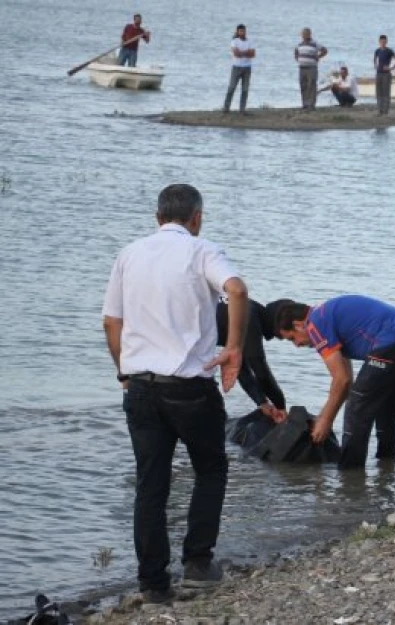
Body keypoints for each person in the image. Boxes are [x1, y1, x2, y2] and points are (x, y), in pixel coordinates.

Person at [102, 184, 248, 603]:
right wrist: (233, 347)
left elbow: (112, 323)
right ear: (197, 218)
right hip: (189, 387)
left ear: (157, 217)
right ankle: (198, 564)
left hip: (140, 387)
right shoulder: (201, 250)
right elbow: (236, 290)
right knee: (210, 468)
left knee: (151, 484)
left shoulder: (129, 253)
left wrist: (123, 373)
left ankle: (152, 583)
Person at [274, 296, 395, 468]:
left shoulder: (315, 324)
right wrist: (325, 415)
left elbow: (342, 380)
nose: (297, 345)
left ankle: (350, 476)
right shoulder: (324, 314)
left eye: (292, 338)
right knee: (388, 408)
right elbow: (347, 380)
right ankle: (387, 468)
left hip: (392, 340)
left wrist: (325, 420)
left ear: (298, 325)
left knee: (356, 408)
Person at [216, 298, 288, 422]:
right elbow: (260, 369)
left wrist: (262, 402)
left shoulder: (250, 309)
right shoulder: (250, 317)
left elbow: (240, 368)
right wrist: (280, 405)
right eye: (288, 334)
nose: (285, 338)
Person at [294, 28, 328, 110]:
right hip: (302, 67)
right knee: (303, 85)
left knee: (311, 85)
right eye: (302, 34)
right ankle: (305, 103)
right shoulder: (300, 44)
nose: (303, 36)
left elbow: (324, 50)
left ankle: (311, 104)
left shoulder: (315, 43)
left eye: (305, 34)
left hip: (312, 67)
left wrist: (318, 56)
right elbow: (296, 52)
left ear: (309, 34)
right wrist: (298, 59)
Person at [223, 24, 254, 114]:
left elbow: (253, 54)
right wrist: (246, 53)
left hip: (247, 67)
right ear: (237, 32)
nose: (242, 33)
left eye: (243, 31)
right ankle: (226, 108)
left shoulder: (250, 41)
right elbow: (236, 53)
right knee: (232, 87)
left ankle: (242, 109)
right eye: (240, 31)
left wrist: (242, 53)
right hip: (236, 67)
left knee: (245, 89)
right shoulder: (234, 41)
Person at [373, 35, 395, 116]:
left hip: (386, 74)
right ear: (379, 42)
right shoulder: (377, 51)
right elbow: (375, 60)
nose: (383, 43)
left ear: (386, 42)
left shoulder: (389, 51)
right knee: (378, 92)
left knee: (386, 93)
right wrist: (375, 66)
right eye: (381, 41)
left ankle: (385, 111)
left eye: (384, 41)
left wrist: (391, 68)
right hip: (379, 73)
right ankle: (380, 110)